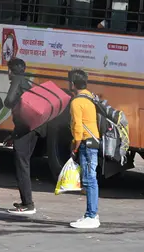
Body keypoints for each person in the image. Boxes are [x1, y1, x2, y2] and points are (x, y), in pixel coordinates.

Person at [3, 58, 42, 215]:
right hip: (32, 128)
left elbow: (9, 101)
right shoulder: (27, 82)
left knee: (22, 165)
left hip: (25, 130)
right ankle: (26, 201)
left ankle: (28, 204)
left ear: (10, 71)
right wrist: (13, 135)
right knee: (23, 163)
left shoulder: (16, 80)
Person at [68, 69, 101, 229]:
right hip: (93, 142)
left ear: (73, 84)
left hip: (86, 144)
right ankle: (91, 213)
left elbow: (78, 127)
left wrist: (75, 146)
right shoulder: (89, 96)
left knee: (89, 180)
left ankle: (91, 216)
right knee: (90, 179)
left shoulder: (76, 102)